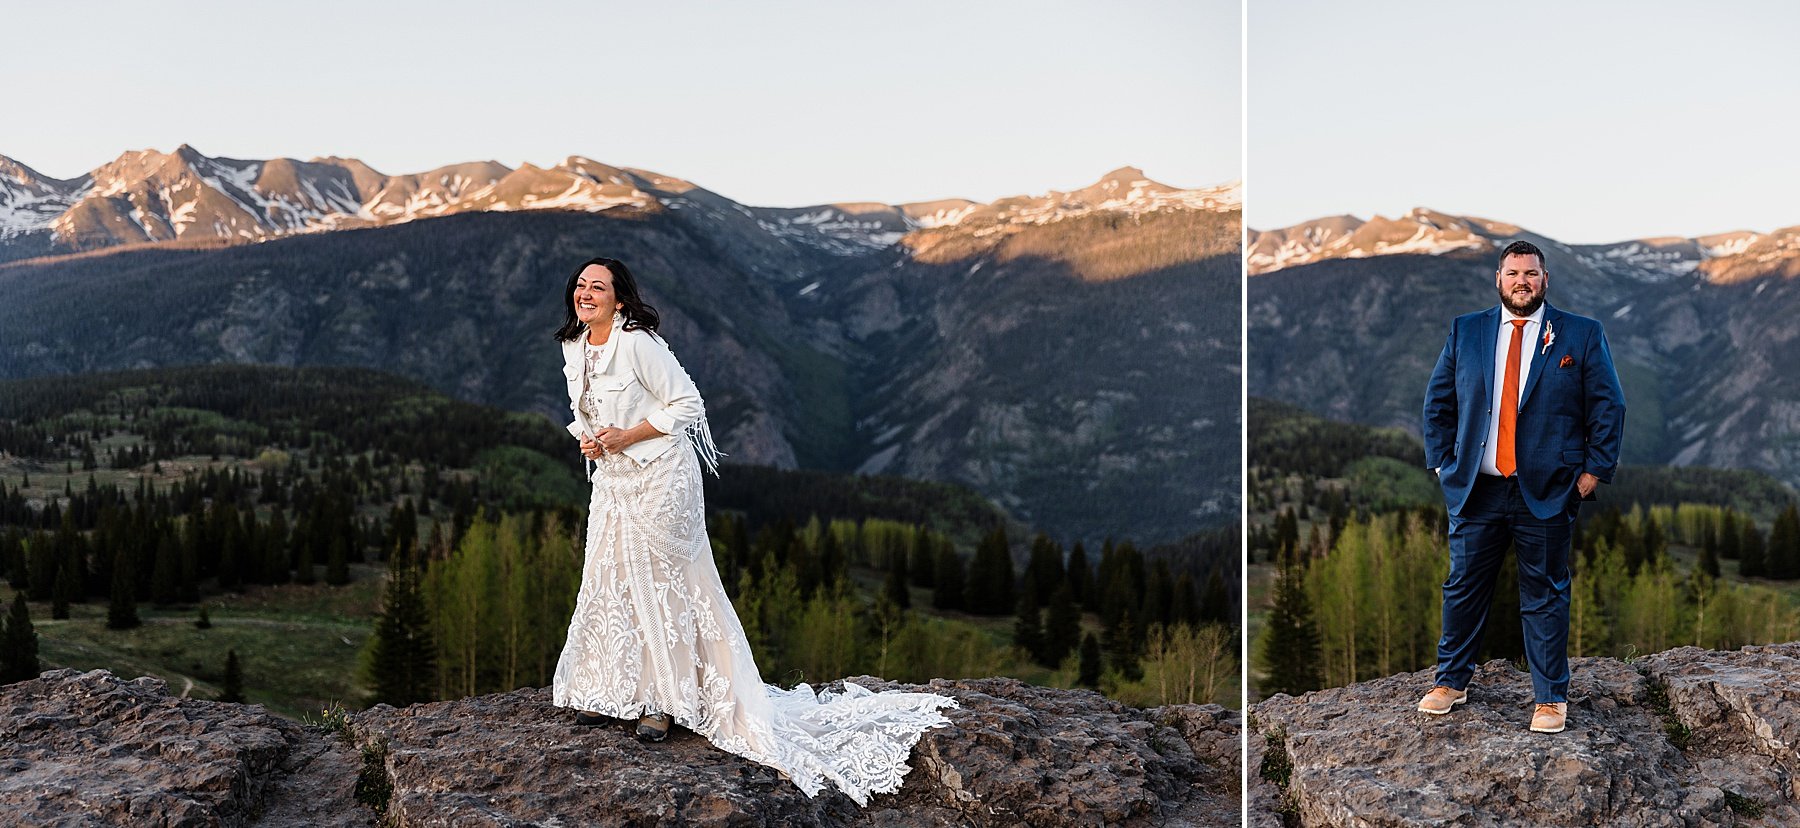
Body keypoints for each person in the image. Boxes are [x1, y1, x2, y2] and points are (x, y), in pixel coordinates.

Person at [547, 256, 960, 804]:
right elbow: (591, 410)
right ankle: (613, 686)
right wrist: (595, 438)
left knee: (668, 584)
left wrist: (627, 437)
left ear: (620, 299)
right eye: (581, 285)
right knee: (611, 575)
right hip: (614, 481)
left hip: (662, 478)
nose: (586, 293)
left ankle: (664, 703)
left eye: (598, 286)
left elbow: (686, 405)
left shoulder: (641, 343)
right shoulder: (574, 347)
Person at [1418, 240, 1625, 734]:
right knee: (1463, 588)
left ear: (1545, 280)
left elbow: (1608, 406)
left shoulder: (1581, 333)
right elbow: (1437, 403)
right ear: (1498, 278)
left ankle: (1550, 698)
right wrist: (1443, 466)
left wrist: (1592, 473)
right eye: (1513, 273)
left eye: (1530, 273)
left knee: (1545, 593)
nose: (1521, 282)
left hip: (1549, 491)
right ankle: (1451, 682)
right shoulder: (1466, 330)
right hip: (1477, 489)